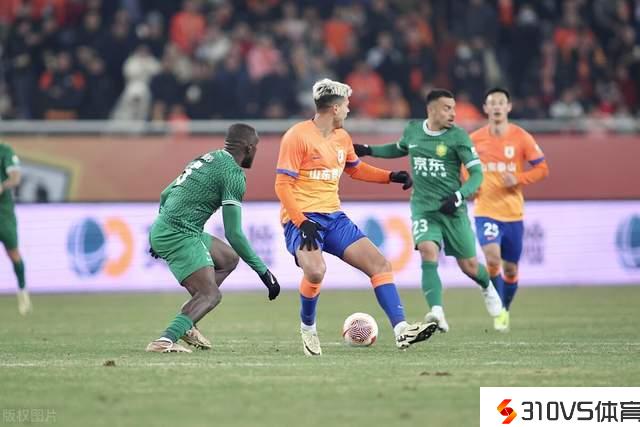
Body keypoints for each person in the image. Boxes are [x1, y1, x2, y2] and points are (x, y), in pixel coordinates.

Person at [275, 78, 437, 356]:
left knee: (380, 264)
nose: (349, 110)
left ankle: (402, 330)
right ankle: (308, 328)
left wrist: (390, 176)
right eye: (347, 105)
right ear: (335, 108)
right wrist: (302, 222)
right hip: (302, 219)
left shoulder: (342, 137)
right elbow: (282, 185)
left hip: (334, 218)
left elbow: (355, 168)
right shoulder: (297, 136)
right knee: (315, 271)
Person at [354, 89, 502, 333]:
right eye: (447, 108)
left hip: (453, 210)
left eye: (453, 108)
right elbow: (400, 148)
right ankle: (437, 311)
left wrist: (459, 196)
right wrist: (369, 150)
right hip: (423, 208)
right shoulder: (414, 130)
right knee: (427, 250)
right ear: (431, 110)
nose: (453, 113)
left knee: (470, 266)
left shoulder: (458, 137)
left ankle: (487, 287)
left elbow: (477, 174)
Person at [146, 123, 281, 353]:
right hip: (179, 233)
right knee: (211, 294)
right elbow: (234, 233)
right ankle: (164, 341)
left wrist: (159, 230)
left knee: (229, 258)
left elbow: (165, 193)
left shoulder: (208, 157)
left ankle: (189, 318)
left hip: (169, 227)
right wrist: (263, 272)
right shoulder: (233, 175)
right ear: (249, 148)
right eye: (256, 148)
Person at [470, 87, 549, 332]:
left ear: (508, 107)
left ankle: (504, 308)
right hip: (485, 210)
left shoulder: (521, 137)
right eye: (492, 103)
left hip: (513, 213)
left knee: (511, 269)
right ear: (485, 108)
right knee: (492, 258)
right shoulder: (474, 139)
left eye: (501, 102)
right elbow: (462, 165)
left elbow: (542, 169)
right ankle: (496, 306)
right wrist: (470, 183)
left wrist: (519, 178)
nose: (496, 107)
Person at [0, 142, 30, 315]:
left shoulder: (5, 151)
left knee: (13, 253)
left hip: (3, 214)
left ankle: (22, 291)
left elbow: (15, 178)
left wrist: (2, 185)